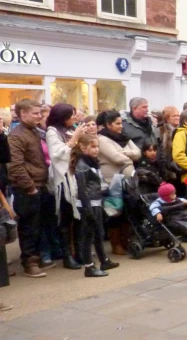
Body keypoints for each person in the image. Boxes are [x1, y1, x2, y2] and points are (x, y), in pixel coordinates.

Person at [8, 99, 50, 277]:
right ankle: (29, 261)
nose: (39, 116)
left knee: (38, 224)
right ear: (23, 114)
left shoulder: (34, 131)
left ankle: (36, 257)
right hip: (27, 188)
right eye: (35, 113)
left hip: (39, 183)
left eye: (40, 112)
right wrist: (30, 187)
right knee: (28, 226)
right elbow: (15, 165)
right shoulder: (17, 135)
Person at [45, 103, 87, 269]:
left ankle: (79, 252)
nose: (74, 119)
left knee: (79, 218)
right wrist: (75, 138)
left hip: (77, 177)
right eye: (71, 116)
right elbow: (57, 154)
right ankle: (67, 256)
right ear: (62, 117)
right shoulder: (52, 132)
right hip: (64, 180)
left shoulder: (70, 130)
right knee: (66, 218)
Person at [71, 134, 119, 277]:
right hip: (88, 204)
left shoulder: (91, 162)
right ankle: (89, 266)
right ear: (83, 147)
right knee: (88, 235)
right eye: (93, 146)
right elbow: (82, 189)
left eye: (97, 146)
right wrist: (88, 209)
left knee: (99, 232)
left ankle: (103, 259)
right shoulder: (82, 165)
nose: (96, 149)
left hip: (96, 201)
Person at [97, 110, 141, 255]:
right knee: (115, 213)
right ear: (108, 125)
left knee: (128, 211)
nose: (121, 126)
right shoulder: (102, 139)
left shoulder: (124, 137)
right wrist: (129, 155)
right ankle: (116, 244)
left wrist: (125, 154)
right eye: (117, 123)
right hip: (112, 182)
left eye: (121, 123)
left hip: (129, 181)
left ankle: (125, 240)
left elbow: (138, 153)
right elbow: (116, 158)